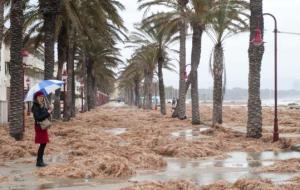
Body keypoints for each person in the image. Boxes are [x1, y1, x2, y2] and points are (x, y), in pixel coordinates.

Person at [32, 91, 52, 167]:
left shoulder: (41, 105)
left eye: (42, 97)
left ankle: (40, 160)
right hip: (39, 127)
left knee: (44, 143)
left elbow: (45, 115)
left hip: (43, 127)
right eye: (40, 97)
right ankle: (39, 162)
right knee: (43, 143)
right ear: (36, 98)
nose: (41, 98)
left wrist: (49, 110)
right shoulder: (35, 106)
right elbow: (38, 118)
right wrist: (48, 112)